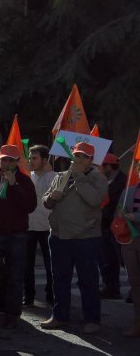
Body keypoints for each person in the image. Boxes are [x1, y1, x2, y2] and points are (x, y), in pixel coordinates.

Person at [42, 142, 108, 333]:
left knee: (88, 280)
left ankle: (92, 320)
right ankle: (60, 316)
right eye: (77, 155)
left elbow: (95, 199)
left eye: (84, 156)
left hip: (85, 238)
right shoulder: (62, 176)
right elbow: (46, 202)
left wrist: (79, 177)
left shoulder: (98, 178)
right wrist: (52, 197)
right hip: (59, 236)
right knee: (60, 278)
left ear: (91, 160)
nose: (79, 159)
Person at [0, 144, 36, 328]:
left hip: (16, 235)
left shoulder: (24, 180)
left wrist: (15, 186)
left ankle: (13, 313)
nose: (6, 163)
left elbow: (30, 206)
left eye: (10, 160)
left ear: (17, 161)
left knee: (15, 275)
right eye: (4, 160)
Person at [25, 145, 57, 307]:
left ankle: (51, 296)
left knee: (50, 265)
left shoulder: (54, 177)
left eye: (35, 158)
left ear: (45, 160)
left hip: (48, 227)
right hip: (29, 227)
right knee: (27, 264)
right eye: (30, 157)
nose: (31, 161)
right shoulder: (27, 176)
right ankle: (28, 296)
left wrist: (49, 173)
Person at [99, 153, 126, 299]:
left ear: (109, 166)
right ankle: (111, 287)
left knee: (125, 261)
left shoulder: (124, 182)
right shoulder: (104, 181)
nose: (100, 169)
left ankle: (134, 291)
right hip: (104, 226)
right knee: (107, 260)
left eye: (102, 166)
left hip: (118, 227)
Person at [119, 178, 140, 337]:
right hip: (130, 240)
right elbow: (118, 213)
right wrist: (121, 214)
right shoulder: (128, 191)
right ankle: (137, 322)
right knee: (135, 282)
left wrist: (136, 216)